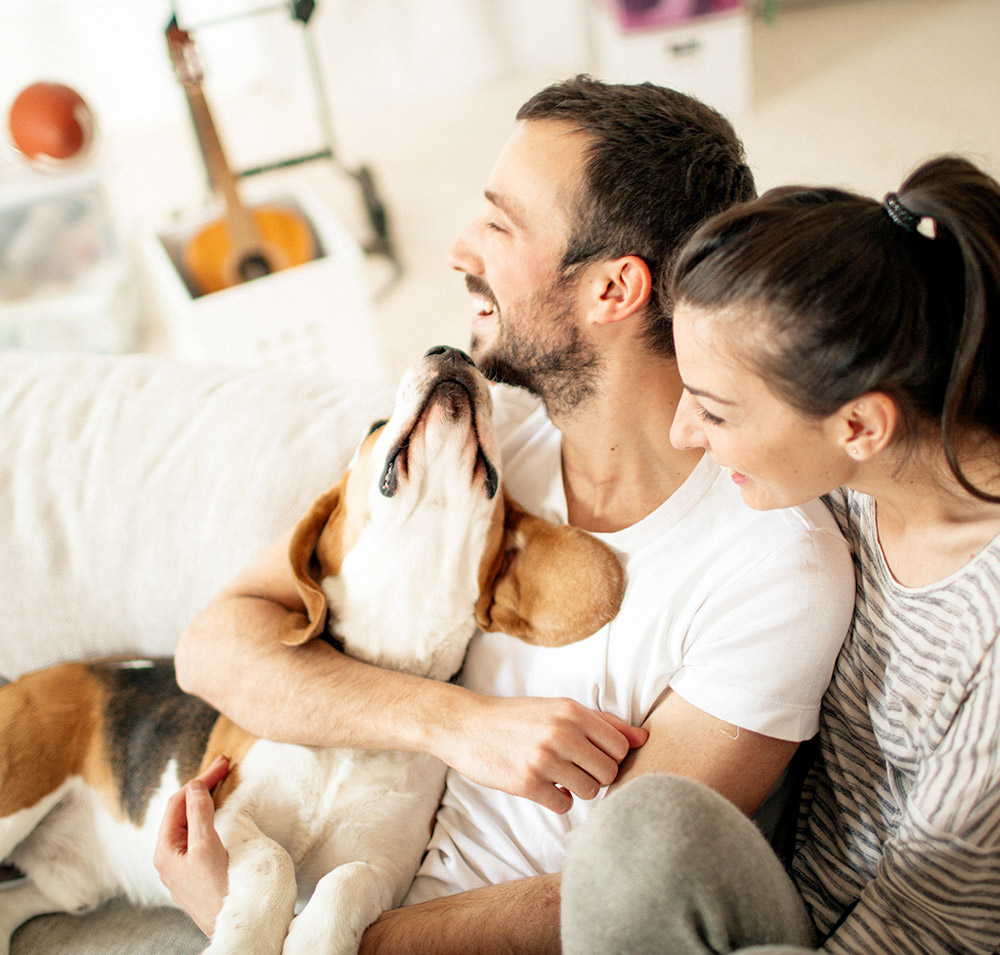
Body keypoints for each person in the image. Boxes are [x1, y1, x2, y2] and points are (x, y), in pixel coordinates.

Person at [154, 76, 855, 953]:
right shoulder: (484, 432)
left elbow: (613, 893)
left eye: (500, 223)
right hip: (332, 876)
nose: (458, 248)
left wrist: (285, 931)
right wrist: (455, 723)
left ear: (613, 289)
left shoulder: (775, 568)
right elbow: (214, 643)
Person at [560, 154, 1000, 954]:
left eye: (716, 411)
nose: (682, 430)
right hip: (787, 885)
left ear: (861, 426)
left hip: (903, 937)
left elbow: (924, 924)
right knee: (639, 833)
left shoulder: (989, 625)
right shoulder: (850, 476)